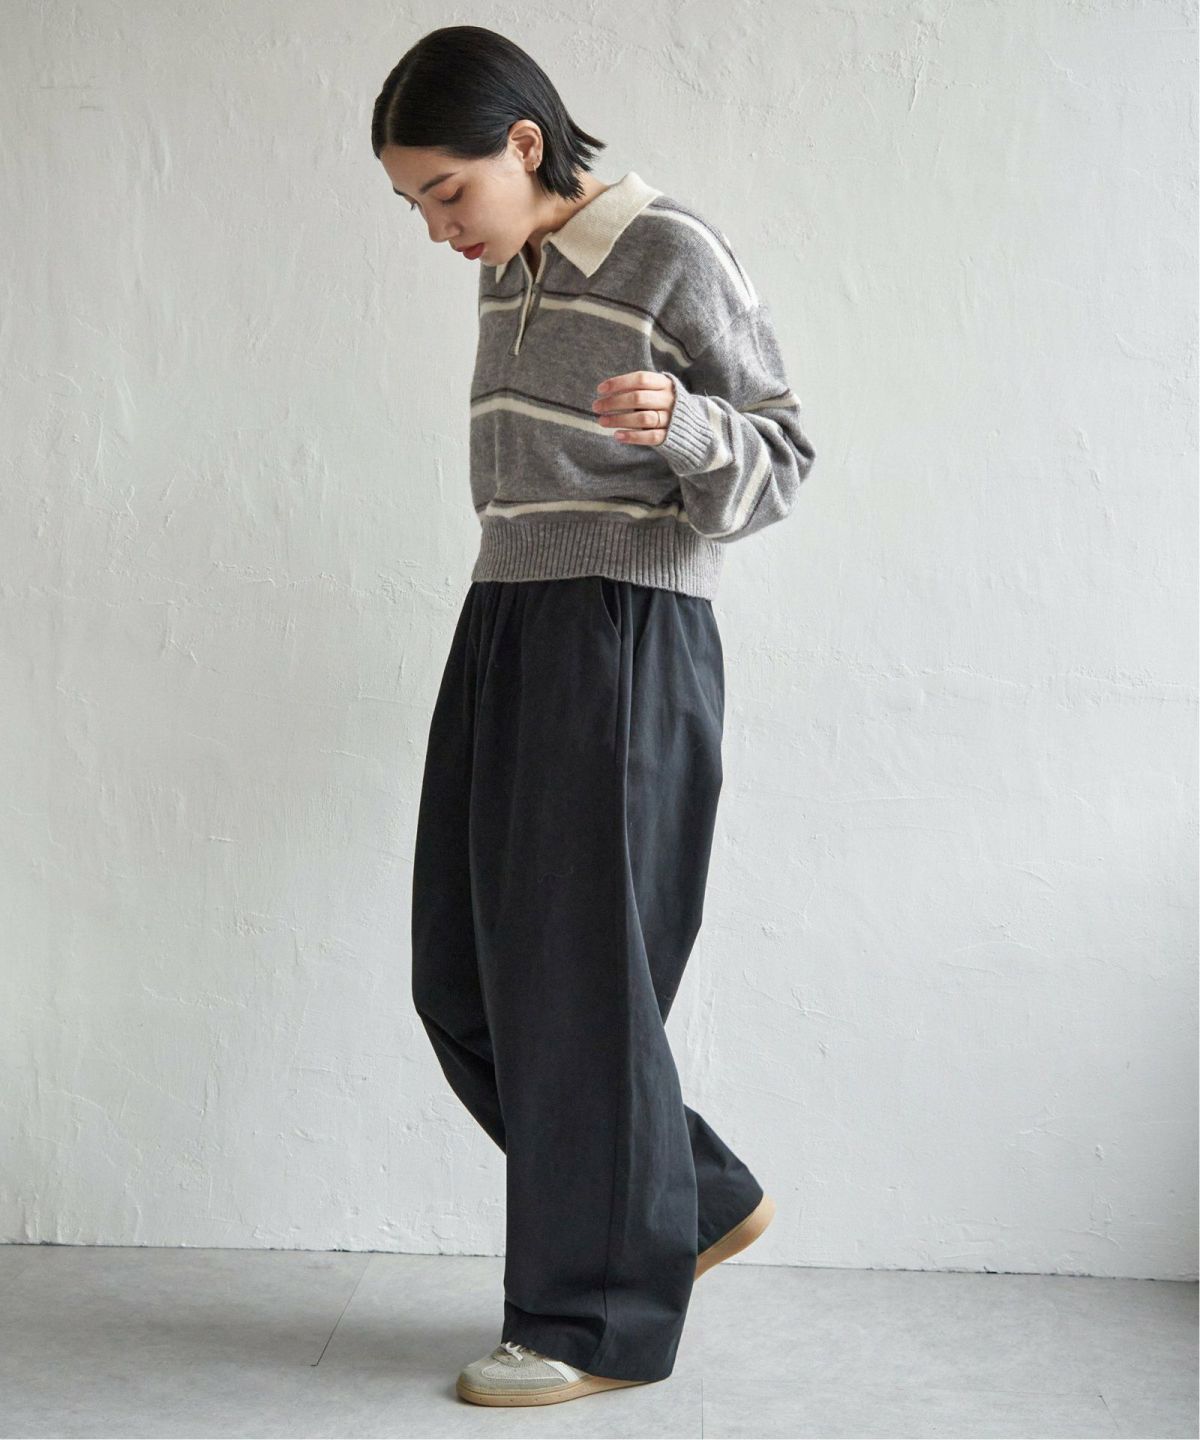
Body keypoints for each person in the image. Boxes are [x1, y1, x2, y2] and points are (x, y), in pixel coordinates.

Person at [372, 23, 816, 1409]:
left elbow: (785, 456)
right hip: (507, 617)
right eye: (414, 204)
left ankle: (593, 1322)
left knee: (572, 987)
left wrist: (684, 424)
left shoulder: (670, 249)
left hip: (623, 631)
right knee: (461, 980)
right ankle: (694, 1197)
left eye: (448, 191)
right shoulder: (509, 266)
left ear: (524, 143)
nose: (438, 227)